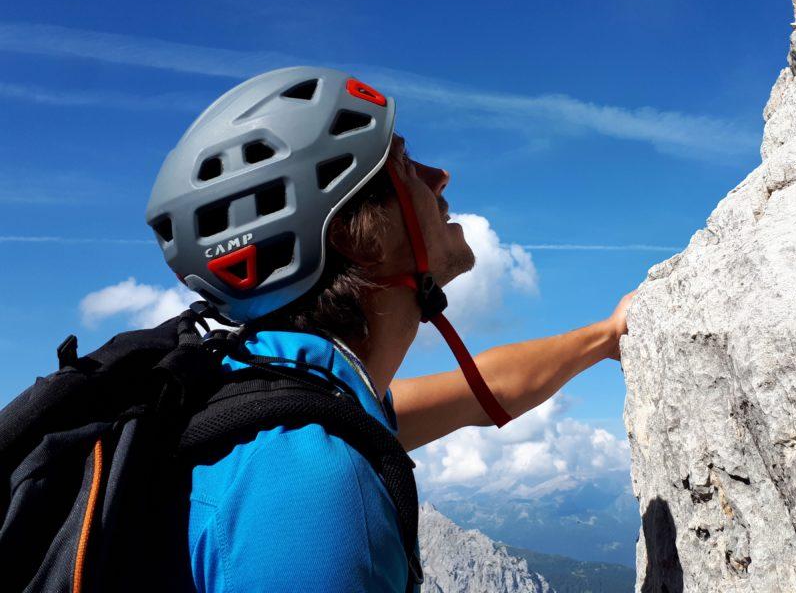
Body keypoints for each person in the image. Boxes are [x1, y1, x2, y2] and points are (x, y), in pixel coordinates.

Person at [145, 66, 633, 592]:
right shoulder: (312, 489)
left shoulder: (269, 398)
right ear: (360, 236)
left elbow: (482, 391)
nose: (439, 176)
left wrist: (607, 335)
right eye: (403, 163)